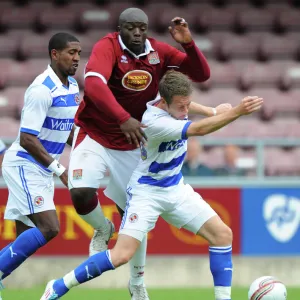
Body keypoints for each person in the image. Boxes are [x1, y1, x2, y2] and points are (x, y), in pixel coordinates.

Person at [40, 71, 263, 300]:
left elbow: (185, 103)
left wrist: (211, 110)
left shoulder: (171, 102)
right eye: (181, 107)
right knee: (121, 255)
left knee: (222, 235)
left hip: (176, 188)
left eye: (187, 105)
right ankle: (58, 285)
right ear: (164, 103)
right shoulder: (154, 122)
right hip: (146, 192)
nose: (185, 112)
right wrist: (237, 111)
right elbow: (199, 130)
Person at [68, 7, 230, 298]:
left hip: (132, 142)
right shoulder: (107, 46)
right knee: (79, 190)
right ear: (120, 29)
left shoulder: (158, 51)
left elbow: (201, 74)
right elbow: (93, 85)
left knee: (132, 216)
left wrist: (188, 43)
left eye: (142, 28)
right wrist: (121, 117)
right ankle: (102, 228)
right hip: (96, 133)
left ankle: (137, 283)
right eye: (131, 28)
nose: (138, 33)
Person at [0, 32, 81, 297]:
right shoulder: (41, 89)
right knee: (50, 227)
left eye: (79, 53)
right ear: (54, 54)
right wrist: (61, 171)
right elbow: (26, 138)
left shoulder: (72, 88)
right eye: (71, 52)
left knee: (27, 235)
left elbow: (67, 129)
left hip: (40, 168)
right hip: (25, 164)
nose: (77, 58)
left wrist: (87, 152)